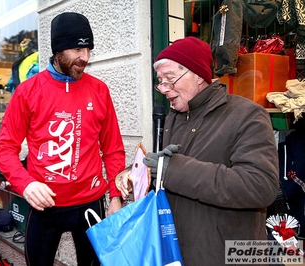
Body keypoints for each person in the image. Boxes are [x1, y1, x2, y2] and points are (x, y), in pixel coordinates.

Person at [119, 36, 279, 265]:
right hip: (177, 252)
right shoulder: (175, 116)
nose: (164, 89)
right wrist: (136, 172)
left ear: (198, 75)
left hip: (227, 255)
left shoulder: (247, 115)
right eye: (160, 81)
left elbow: (259, 186)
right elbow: (168, 171)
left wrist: (170, 169)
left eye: (170, 80)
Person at [0, 12, 126, 266]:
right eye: (78, 48)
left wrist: (116, 195)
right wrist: (26, 184)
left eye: (88, 49)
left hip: (90, 202)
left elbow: (113, 149)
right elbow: (5, 148)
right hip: (45, 206)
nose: (85, 57)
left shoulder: (99, 90)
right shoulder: (27, 92)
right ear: (58, 50)